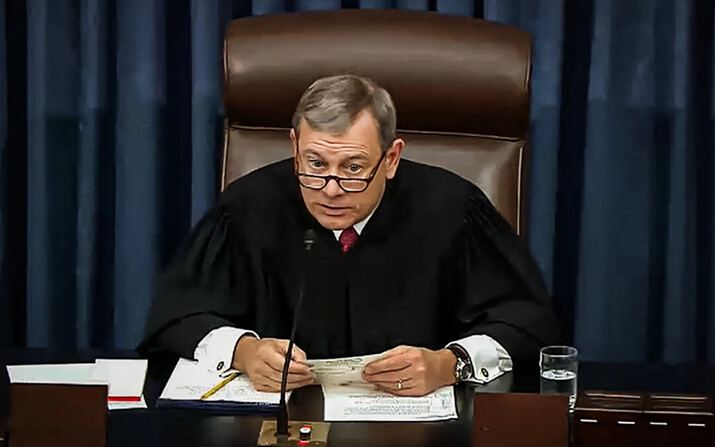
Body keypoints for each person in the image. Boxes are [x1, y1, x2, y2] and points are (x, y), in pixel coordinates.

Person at [139, 74, 558, 397]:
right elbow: (177, 315)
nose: (331, 189)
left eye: (354, 168)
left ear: (391, 158)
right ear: (294, 145)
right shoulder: (248, 207)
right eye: (314, 163)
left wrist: (449, 364)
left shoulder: (452, 209)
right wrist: (243, 352)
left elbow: (528, 323)